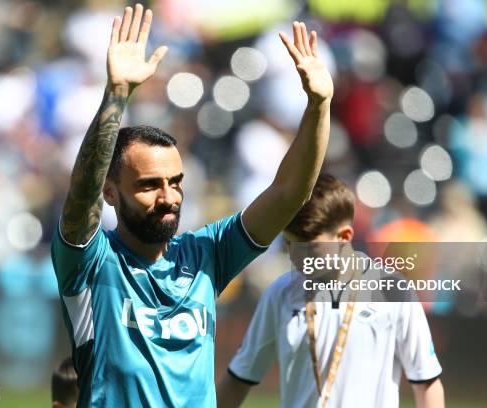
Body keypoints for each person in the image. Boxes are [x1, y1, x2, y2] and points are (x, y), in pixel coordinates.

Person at [51, 3, 333, 407]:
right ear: (110, 192)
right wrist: (116, 94)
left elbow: (290, 193)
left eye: (175, 182)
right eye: (149, 185)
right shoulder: (92, 263)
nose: (168, 197)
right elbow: (81, 197)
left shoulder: (206, 255)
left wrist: (318, 105)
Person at [217, 174, 445, 408]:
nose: (296, 258)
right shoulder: (279, 294)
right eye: (289, 245)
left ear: (344, 237)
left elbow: (426, 383)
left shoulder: (394, 291)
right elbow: (238, 380)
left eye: (310, 249)